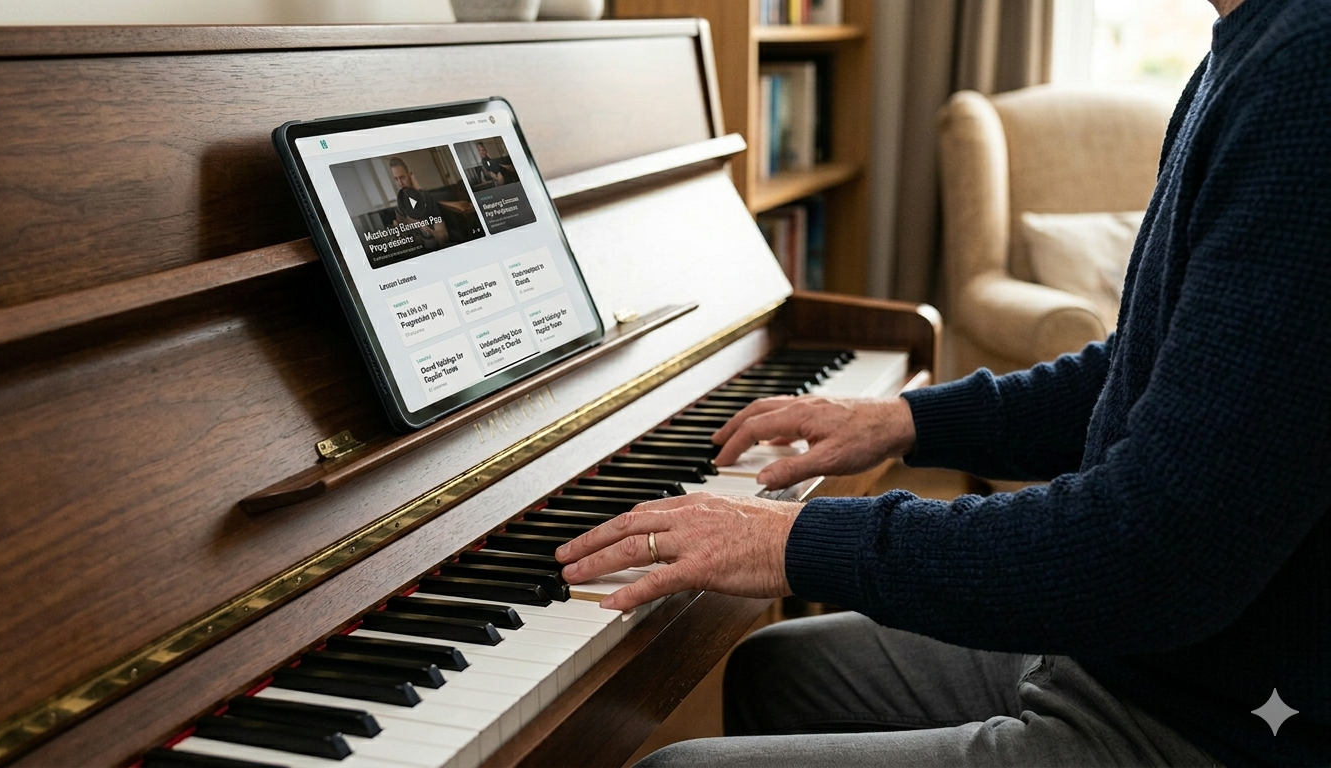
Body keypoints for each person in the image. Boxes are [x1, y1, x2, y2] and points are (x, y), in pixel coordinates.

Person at [555, 0, 1330, 764]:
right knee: (774, 668)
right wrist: (907, 419)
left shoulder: (1307, 74)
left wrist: (792, 541)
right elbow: (1145, 372)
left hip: (1214, 721)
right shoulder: (1246, 47)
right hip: (1151, 658)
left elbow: (1151, 555)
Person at [386, 155, 449, 250]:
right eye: (396, 179)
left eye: (402, 178)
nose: (400, 184)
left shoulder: (427, 200)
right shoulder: (401, 203)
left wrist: (426, 228)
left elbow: (443, 237)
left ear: (410, 175)